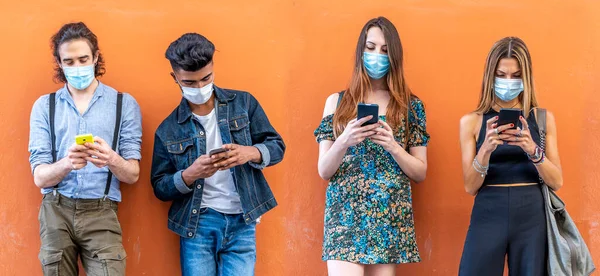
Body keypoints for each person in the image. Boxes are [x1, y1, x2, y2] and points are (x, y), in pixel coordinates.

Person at [150, 32, 285, 276]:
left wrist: (249, 152)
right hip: (198, 222)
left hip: (243, 218)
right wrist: (189, 175)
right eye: (190, 83)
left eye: (206, 78)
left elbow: (277, 146)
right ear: (175, 78)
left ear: (213, 69)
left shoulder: (244, 103)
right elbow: (159, 186)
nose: (200, 87)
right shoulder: (168, 129)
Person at [313, 16, 430, 276]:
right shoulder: (337, 102)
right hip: (344, 217)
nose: (377, 55)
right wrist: (345, 139)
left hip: (388, 216)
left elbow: (420, 172)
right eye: (371, 47)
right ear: (360, 51)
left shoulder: (411, 107)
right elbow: (324, 170)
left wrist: (393, 146)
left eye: (385, 50)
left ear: (395, 57)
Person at [28, 22, 143, 275]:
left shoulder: (124, 104)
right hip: (56, 209)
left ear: (96, 57)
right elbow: (39, 177)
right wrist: (67, 162)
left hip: (102, 210)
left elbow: (132, 175)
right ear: (59, 63)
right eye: (69, 62)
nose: (77, 67)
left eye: (83, 59)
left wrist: (111, 158)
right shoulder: (44, 106)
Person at [458, 37, 563, 275]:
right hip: (488, 210)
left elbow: (557, 181)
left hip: (531, 214)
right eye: (501, 74)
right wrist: (485, 150)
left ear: (526, 78)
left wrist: (533, 150)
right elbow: (470, 186)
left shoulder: (542, 119)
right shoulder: (471, 122)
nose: (508, 81)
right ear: (489, 76)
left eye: (516, 76)